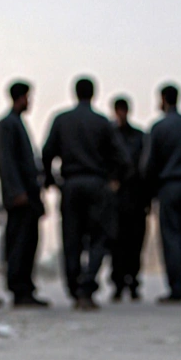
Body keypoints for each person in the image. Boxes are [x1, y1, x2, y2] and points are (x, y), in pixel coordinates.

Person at [42, 77, 130, 311]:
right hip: (96, 184)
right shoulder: (103, 123)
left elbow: (46, 153)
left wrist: (52, 180)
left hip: (70, 184)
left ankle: (74, 286)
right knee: (99, 238)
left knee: (71, 238)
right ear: (94, 94)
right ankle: (88, 283)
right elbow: (123, 158)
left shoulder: (61, 120)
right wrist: (114, 180)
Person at [141, 83, 181, 303]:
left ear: (163, 100)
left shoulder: (158, 128)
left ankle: (177, 288)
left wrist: (147, 195)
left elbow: (148, 165)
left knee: (172, 238)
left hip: (169, 188)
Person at [0, 81, 48, 307]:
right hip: (20, 198)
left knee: (29, 243)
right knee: (19, 244)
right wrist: (17, 192)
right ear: (20, 98)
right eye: (27, 97)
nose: (30, 102)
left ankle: (26, 287)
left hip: (29, 196)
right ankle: (18, 288)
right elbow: (6, 162)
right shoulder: (7, 125)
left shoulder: (17, 123)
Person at [108, 97, 148, 302]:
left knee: (134, 243)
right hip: (116, 200)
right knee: (116, 244)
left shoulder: (139, 137)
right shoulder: (109, 135)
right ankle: (118, 283)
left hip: (135, 197)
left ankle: (132, 282)